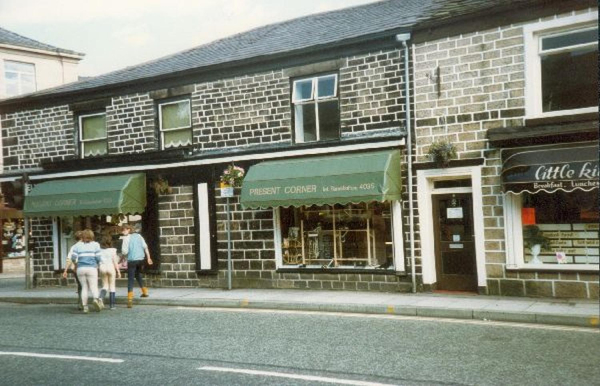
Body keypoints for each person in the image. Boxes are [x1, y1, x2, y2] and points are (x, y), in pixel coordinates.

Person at [71, 229, 103, 313]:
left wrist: (76, 264)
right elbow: (99, 258)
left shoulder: (77, 246)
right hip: (92, 268)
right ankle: (96, 299)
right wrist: (98, 264)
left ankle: (85, 307)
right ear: (92, 236)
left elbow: (73, 258)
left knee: (84, 287)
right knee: (93, 286)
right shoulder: (96, 245)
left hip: (80, 268)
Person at [121, 223, 153, 308]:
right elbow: (145, 247)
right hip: (141, 260)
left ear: (129, 230)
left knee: (130, 279)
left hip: (132, 260)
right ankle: (145, 292)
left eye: (124, 229)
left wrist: (122, 259)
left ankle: (130, 299)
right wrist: (149, 258)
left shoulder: (126, 238)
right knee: (138, 275)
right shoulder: (139, 236)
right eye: (122, 229)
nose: (122, 231)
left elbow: (124, 252)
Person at [62, 231, 83, 310]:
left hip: (76, 268)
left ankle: (80, 303)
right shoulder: (86, 246)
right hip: (85, 267)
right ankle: (84, 302)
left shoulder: (73, 247)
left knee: (80, 286)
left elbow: (69, 259)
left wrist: (65, 270)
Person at [99, 236, 121, 310]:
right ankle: (112, 305)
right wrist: (118, 271)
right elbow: (115, 262)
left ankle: (100, 298)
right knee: (112, 286)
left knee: (105, 285)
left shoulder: (99, 250)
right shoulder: (113, 250)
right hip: (110, 267)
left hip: (102, 267)